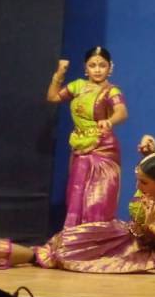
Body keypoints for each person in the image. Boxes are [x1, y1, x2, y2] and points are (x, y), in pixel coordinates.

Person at [35, 136, 155, 274]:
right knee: (68, 240)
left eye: (143, 182)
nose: (138, 187)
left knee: (72, 255)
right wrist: (152, 151)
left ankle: (34, 256)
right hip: (124, 234)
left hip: (138, 249)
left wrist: (153, 225)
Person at [48, 45, 128, 228]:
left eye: (102, 65)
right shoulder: (77, 86)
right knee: (77, 194)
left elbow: (122, 112)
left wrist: (109, 121)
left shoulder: (111, 91)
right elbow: (53, 97)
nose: (97, 70)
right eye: (93, 65)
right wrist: (60, 73)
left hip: (103, 149)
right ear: (85, 68)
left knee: (99, 198)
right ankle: (75, 236)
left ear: (110, 68)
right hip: (80, 146)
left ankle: (96, 237)